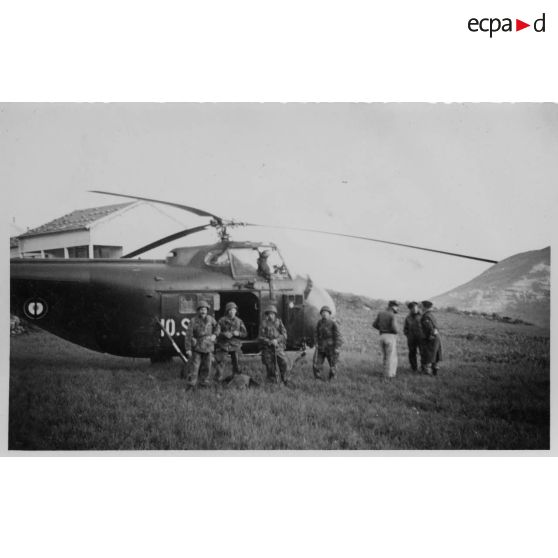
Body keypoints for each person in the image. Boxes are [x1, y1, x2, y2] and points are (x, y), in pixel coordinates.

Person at [184, 300, 220, 390]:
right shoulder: (193, 320)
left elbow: (217, 327)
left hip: (208, 346)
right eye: (201, 309)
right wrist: (188, 349)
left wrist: (215, 335)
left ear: (207, 310)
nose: (203, 311)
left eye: (204, 309)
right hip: (197, 347)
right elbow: (188, 335)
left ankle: (203, 384)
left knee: (207, 366)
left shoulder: (211, 319)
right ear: (198, 310)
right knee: (194, 367)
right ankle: (191, 385)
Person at [214, 301, 248, 383]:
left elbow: (245, 334)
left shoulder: (239, 321)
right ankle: (217, 381)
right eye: (230, 310)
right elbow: (216, 332)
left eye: (234, 310)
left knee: (237, 364)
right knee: (220, 363)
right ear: (227, 311)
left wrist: (238, 333)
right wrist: (223, 334)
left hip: (235, 345)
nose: (232, 312)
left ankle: (237, 379)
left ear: (236, 311)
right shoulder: (221, 320)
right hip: (224, 344)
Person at [258, 304, 290, 384]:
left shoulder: (279, 322)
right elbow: (260, 337)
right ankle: (272, 380)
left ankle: (285, 379)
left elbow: (284, 335)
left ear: (275, 314)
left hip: (278, 347)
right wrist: (269, 341)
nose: (270, 316)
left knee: (284, 362)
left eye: (272, 314)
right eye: (269, 314)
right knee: (269, 366)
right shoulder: (263, 324)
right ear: (267, 315)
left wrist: (277, 340)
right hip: (267, 348)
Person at [313, 305, 343, 381]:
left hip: (331, 348)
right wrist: (316, 342)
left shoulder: (333, 323)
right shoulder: (319, 323)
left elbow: (338, 336)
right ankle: (318, 379)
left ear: (329, 314)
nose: (324, 314)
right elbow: (316, 333)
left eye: (326, 312)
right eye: (323, 312)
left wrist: (336, 347)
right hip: (321, 347)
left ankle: (332, 379)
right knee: (317, 364)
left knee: (333, 365)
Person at [372, 300, 400, 378]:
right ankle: (389, 375)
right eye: (396, 307)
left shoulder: (380, 313)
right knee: (390, 357)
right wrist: (394, 331)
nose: (397, 309)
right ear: (393, 307)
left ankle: (384, 372)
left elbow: (374, 325)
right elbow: (395, 329)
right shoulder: (392, 315)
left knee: (385, 356)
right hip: (390, 337)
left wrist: (382, 329)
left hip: (382, 336)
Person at [420, 300, 442, 376]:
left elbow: (429, 328)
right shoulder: (431, 314)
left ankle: (428, 372)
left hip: (431, 338)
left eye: (421, 306)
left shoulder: (426, 316)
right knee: (434, 355)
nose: (421, 307)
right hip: (436, 337)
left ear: (425, 307)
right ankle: (435, 370)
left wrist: (429, 337)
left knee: (429, 355)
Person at [403, 301, 425, 372]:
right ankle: (414, 368)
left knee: (423, 353)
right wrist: (408, 335)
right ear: (410, 309)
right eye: (412, 308)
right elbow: (405, 328)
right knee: (412, 353)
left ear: (418, 307)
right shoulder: (408, 318)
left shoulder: (423, 316)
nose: (415, 309)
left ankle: (424, 368)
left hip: (421, 338)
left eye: (416, 307)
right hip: (411, 339)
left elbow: (426, 327)